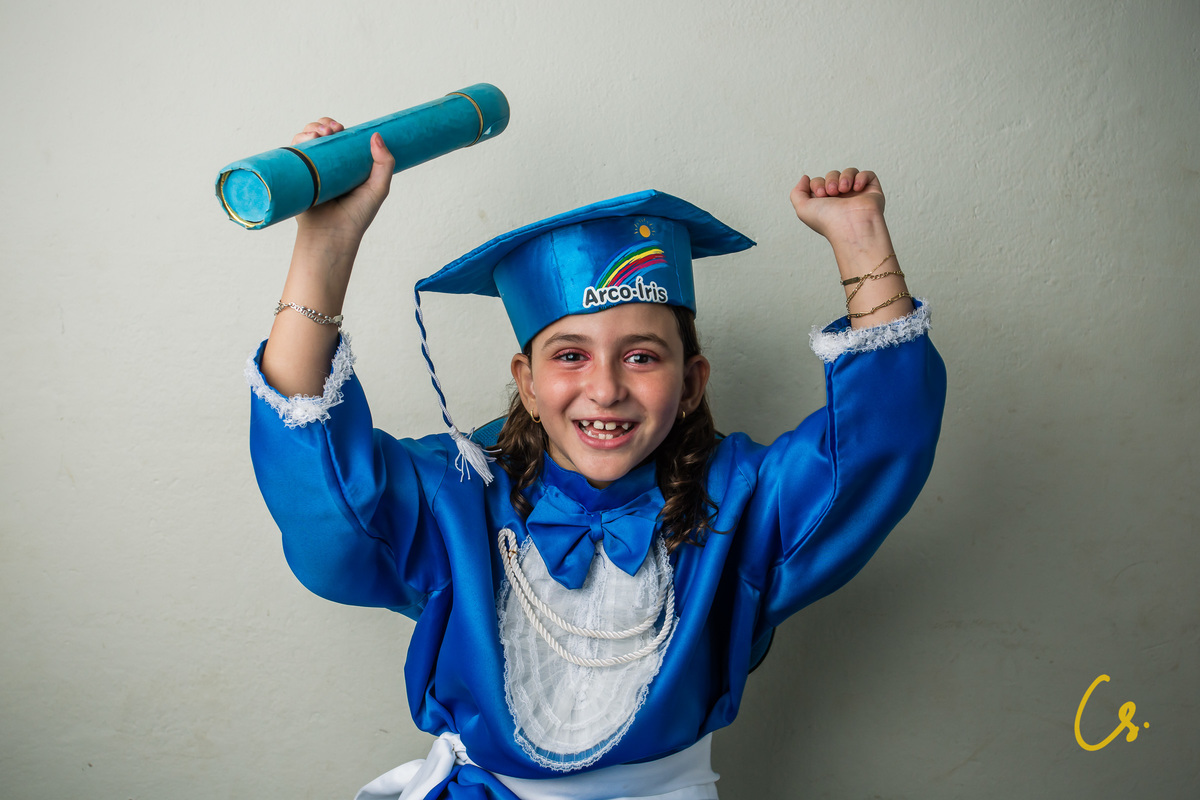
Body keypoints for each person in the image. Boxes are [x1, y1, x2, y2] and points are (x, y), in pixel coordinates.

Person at [246, 120, 946, 800]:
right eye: (570, 356)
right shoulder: (458, 494)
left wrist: (860, 239)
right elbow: (323, 497)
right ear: (527, 382)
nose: (605, 389)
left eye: (641, 357)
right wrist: (325, 246)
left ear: (692, 383)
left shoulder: (740, 501)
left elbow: (875, 449)